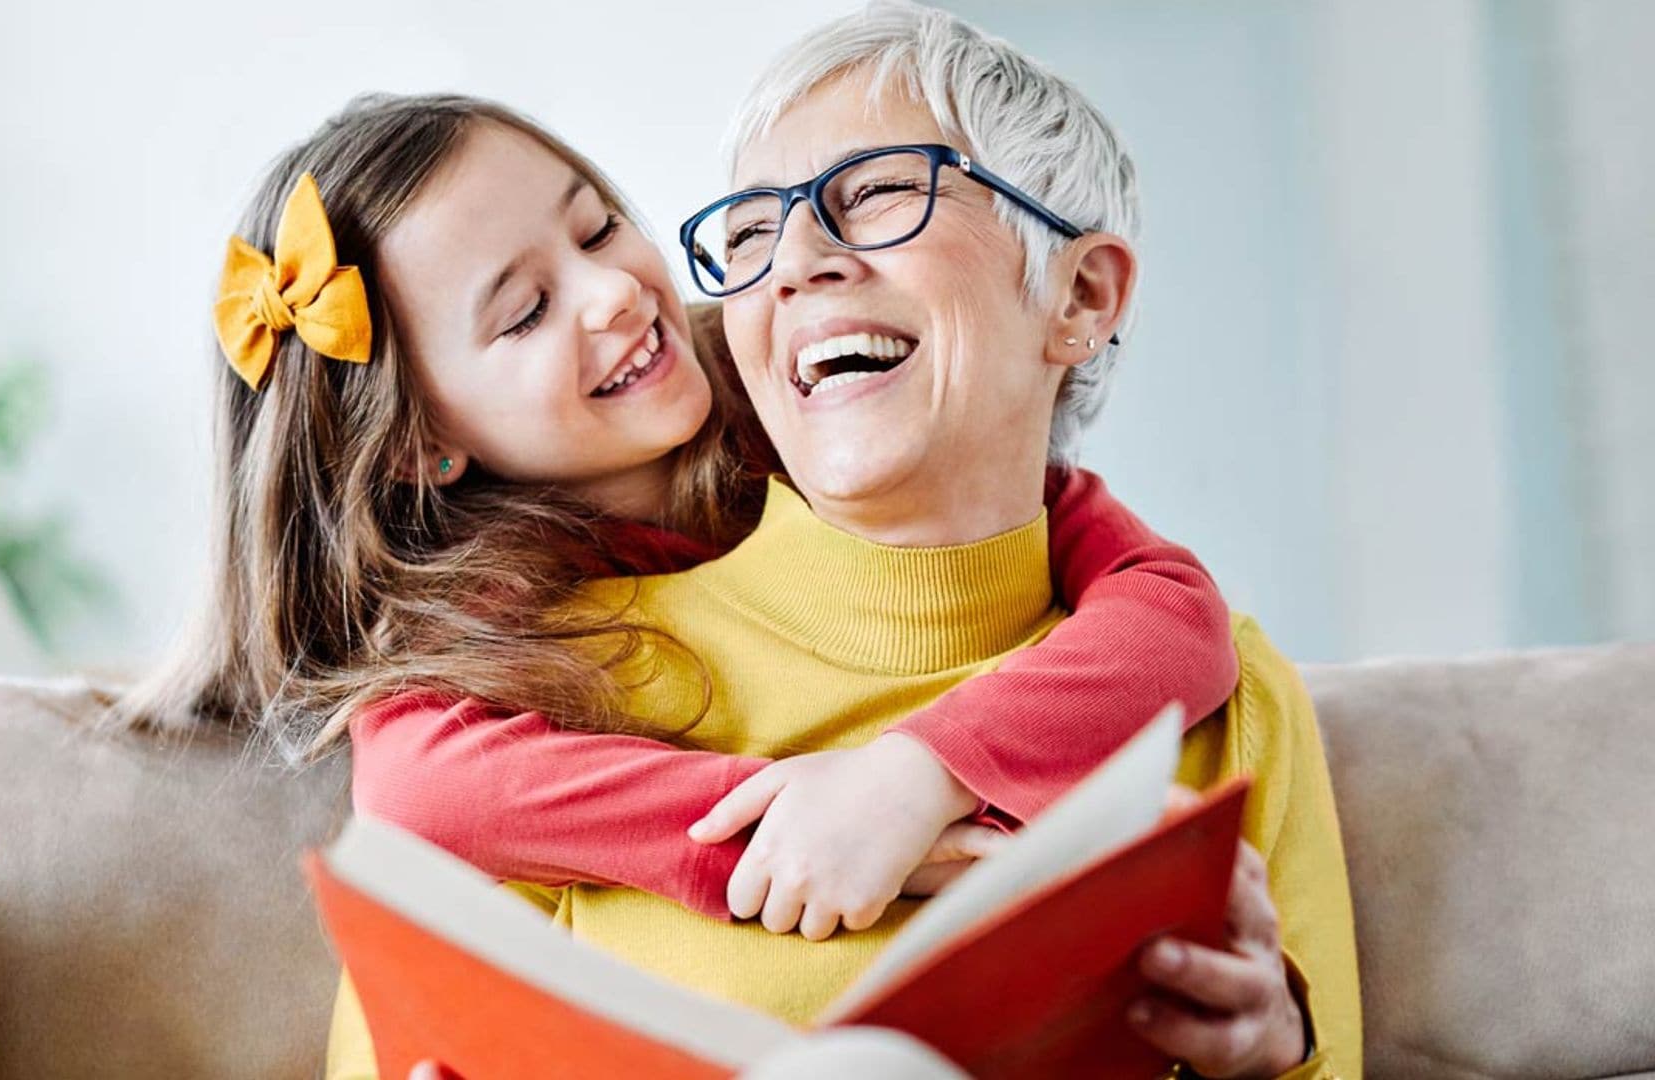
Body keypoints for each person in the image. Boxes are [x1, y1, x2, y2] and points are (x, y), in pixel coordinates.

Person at [323, 2, 1363, 1077]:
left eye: (874, 194)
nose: (796, 263)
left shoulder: (1227, 696)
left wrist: (1273, 1052)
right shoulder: (538, 688)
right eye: (752, 232)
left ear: (1081, 297)